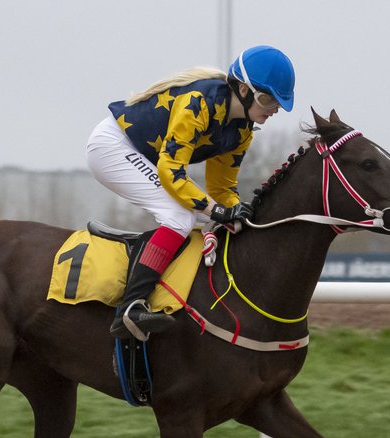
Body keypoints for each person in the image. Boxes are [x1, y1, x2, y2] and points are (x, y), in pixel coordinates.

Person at [87, 45, 296, 339]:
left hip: (146, 156)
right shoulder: (197, 104)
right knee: (179, 216)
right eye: (267, 100)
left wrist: (235, 211)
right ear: (244, 91)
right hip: (114, 147)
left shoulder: (242, 131)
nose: (273, 110)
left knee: (200, 217)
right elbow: (172, 172)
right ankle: (130, 308)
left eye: (279, 104)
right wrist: (216, 211)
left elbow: (221, 188)